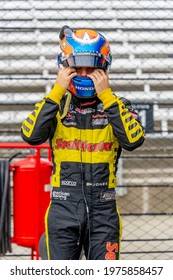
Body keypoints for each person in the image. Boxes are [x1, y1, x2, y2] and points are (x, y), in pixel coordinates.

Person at [21, 26, 145, 260]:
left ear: (104, 68)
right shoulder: (56, 104)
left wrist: (107, 97)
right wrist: (57, 91)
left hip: (104, 210)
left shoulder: (119, 105)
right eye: (78, 67)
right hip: (63, 206)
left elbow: (133, 140)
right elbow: (31, 135)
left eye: (93, 68)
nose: (85, 73)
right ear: (65, 66)